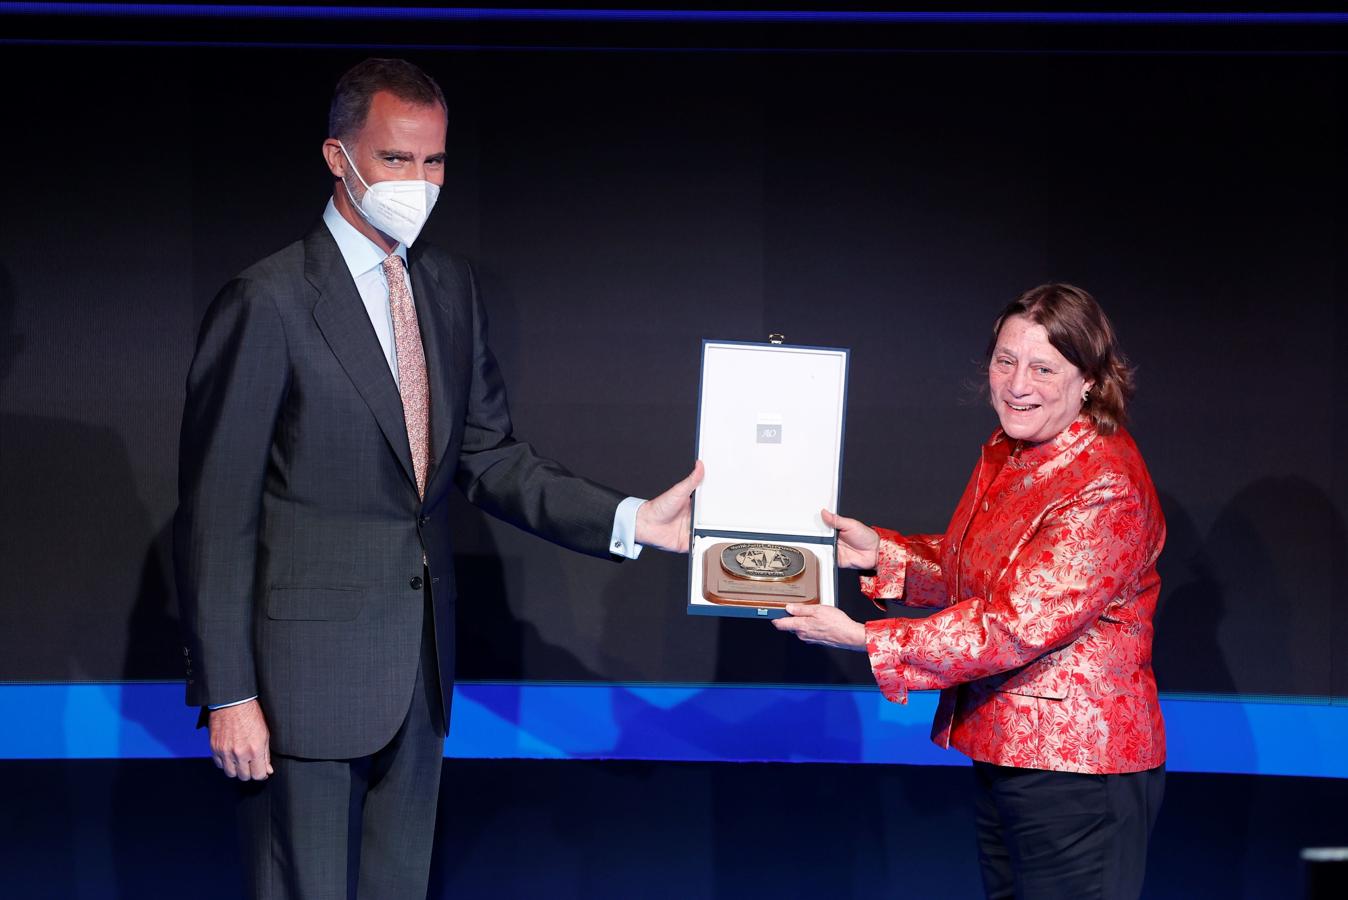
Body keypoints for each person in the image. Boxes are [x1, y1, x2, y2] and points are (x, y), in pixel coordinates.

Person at [174, 57, 701, 899]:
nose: (418, 182)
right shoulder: (267, 301)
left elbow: (491, 457)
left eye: (435, 162)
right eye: (395, 160)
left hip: (419, 671)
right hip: (299, 680)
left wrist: (631, 519)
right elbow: (216, 513)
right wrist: (229, 692)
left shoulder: (449, 290)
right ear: (338, 157)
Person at [774, 283, 1166, 900]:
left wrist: (864, 638)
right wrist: (883, 552)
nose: (1018, 384)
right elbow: (989, 573)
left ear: (1089, 379)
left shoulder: (1103, 485)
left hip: (1076, 772)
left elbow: (1014, 623)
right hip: (1012, 756)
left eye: (1043, 368)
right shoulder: (1018, 451)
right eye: (1005, 361)